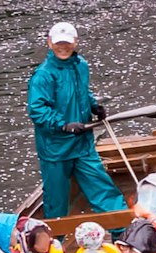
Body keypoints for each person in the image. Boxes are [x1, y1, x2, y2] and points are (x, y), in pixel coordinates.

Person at [29, 21, 128, 219]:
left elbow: (82, 91)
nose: (63, 47)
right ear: (49, 43)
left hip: (83, 144)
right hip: (55, 150)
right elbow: (37, 110)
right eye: (58, 43)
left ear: (75, 42)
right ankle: (53, 242)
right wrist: (63, 125)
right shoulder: (43, 75)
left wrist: (93, 105)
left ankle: (123, 229)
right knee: (56, 202)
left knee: (103, 189)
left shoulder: (81, 65)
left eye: (67, 43)